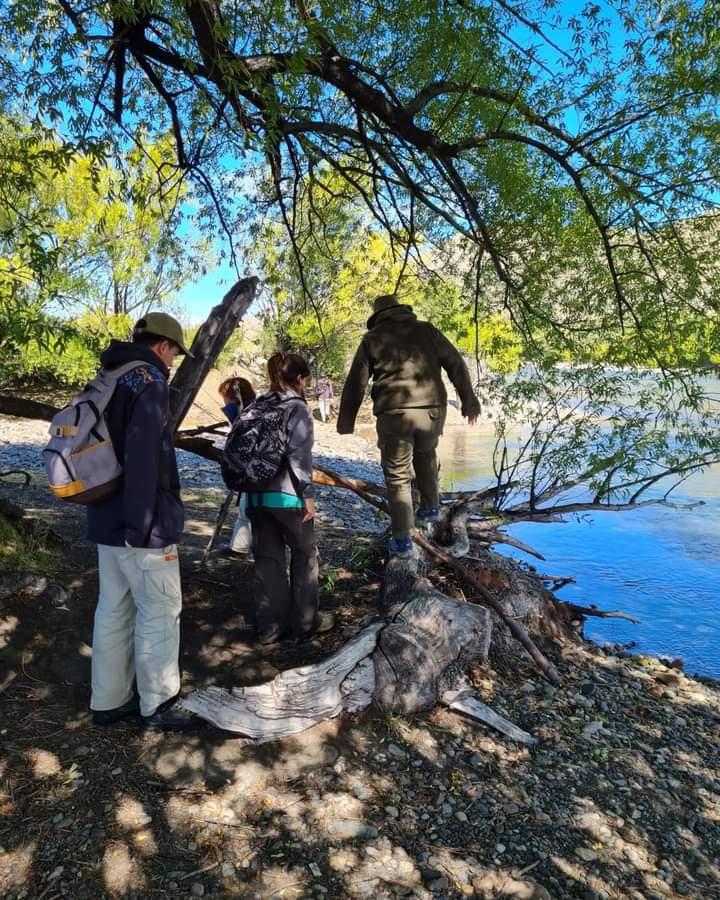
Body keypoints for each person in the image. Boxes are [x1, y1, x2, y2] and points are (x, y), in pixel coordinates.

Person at [86, 312, 199, 732]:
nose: (172, 364)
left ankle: (108, 700)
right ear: (163, 346)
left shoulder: (109, 376)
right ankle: (160, 703)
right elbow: (143, 458)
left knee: (112, 610)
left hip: (103, 517)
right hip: (142, 526)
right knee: (160, 610)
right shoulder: (149, 384)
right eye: (173, 354)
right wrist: (143, 525)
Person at [337, 294, 480, 558]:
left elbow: (356, 383)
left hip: (394, 414)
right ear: (403, 309)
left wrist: (346, 423)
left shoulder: (372, 340)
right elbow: (455, 364)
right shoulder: (426, 330)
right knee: (426, 453)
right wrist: (469, 402)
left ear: (378, 316)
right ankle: (430, 508)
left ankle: (402, 540)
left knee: (397, 475)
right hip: (432, 412)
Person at [246, 352, 334, 644]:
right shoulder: (297, 407)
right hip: (288, 498)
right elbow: (299, 455)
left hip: (256, 496)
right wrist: (307, 495)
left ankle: (270, 629)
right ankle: (307, 623)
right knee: (304, 556)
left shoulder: (258, 404)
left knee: (267, 561)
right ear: (299, 378)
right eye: (305, 378)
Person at [218, 377, 256, 554]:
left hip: (255, 470)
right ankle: (239, 547)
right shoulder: (249, 410)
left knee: (251, 509)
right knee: (245, 508)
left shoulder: (251, 413)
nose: (224, 404)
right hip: (249, 469)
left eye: (225, 399)